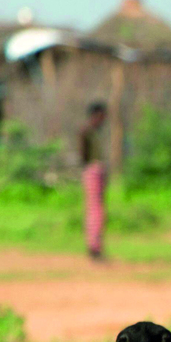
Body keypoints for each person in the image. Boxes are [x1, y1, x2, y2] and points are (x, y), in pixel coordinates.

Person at [79, 102, 109, 260]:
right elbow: (83, 154)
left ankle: (96, 246)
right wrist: (92, 167)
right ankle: (94, 247)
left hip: (96, 170)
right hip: (92, 171)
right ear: (96, 115)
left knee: (98, 210)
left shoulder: (95, 131)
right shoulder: (87, 131)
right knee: (95, 210)